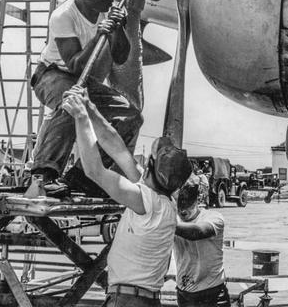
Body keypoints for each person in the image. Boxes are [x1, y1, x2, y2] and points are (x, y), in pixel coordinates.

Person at [60, 87, 192, 307]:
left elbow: (94, 170)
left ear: (149, 167)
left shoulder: (146, 201)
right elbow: (118, 148)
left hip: (129, 300)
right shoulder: (162, 199)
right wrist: (90, 108)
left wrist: (81, 117)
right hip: (138, 298)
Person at [25, 0, 142, 198]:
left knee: (130, 116)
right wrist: (100, 33)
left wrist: (118, 28)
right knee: (72, 100)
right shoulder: (63, 16)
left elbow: (120, 57)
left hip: (82, 79)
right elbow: (76, 65)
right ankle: (44, 174)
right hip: (52, 74)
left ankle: (82, 177)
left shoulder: (108, 12)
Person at [173, 177, 229, 307]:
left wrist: (166, 222)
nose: (182, 211)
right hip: (184, 294)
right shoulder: (174, 220)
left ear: (196, 200)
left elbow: (196, 232)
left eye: (187, 205)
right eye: (179, 205)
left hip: (212, 294)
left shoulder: (214, 218)